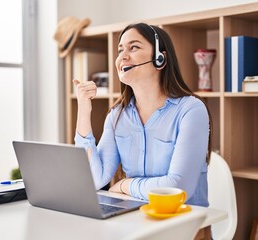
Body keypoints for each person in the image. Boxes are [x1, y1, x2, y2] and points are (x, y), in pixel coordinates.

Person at [73, 22, 212, 207]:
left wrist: (125, 185)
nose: (123, 57)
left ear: (159, 59)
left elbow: (178, 189)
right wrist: (83, 112)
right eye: (120, 50)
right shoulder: (117, 116)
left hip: (185, 227)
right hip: (136, 223)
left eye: (134, 47)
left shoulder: (191, 110)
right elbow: (95, 180)